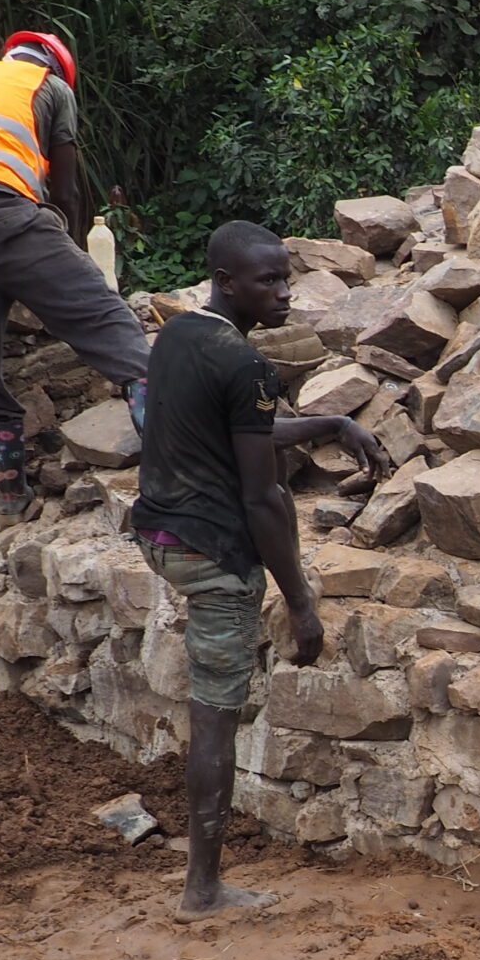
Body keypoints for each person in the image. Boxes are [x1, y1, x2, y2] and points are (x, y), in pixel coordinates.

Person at [130, 222, 389, 915]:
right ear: (227, 281)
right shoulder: (250, 366)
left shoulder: (182, 337)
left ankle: (204, 881)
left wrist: (333, 424)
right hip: (212, 552)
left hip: (158, 532)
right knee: (215, 719)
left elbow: (242, 428)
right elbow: (264, 494)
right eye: (267, 281)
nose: (283, 293)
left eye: (285, 278)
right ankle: (203, 890)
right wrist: (300, 602)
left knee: (211, 704)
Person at [0, 30, 151, 517]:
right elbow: (64, 190)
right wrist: (72, 251)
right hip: (4, 210)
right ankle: (171, 441)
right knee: (106, 318)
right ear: (57, 66)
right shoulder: (51, 87)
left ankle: (9, 494)